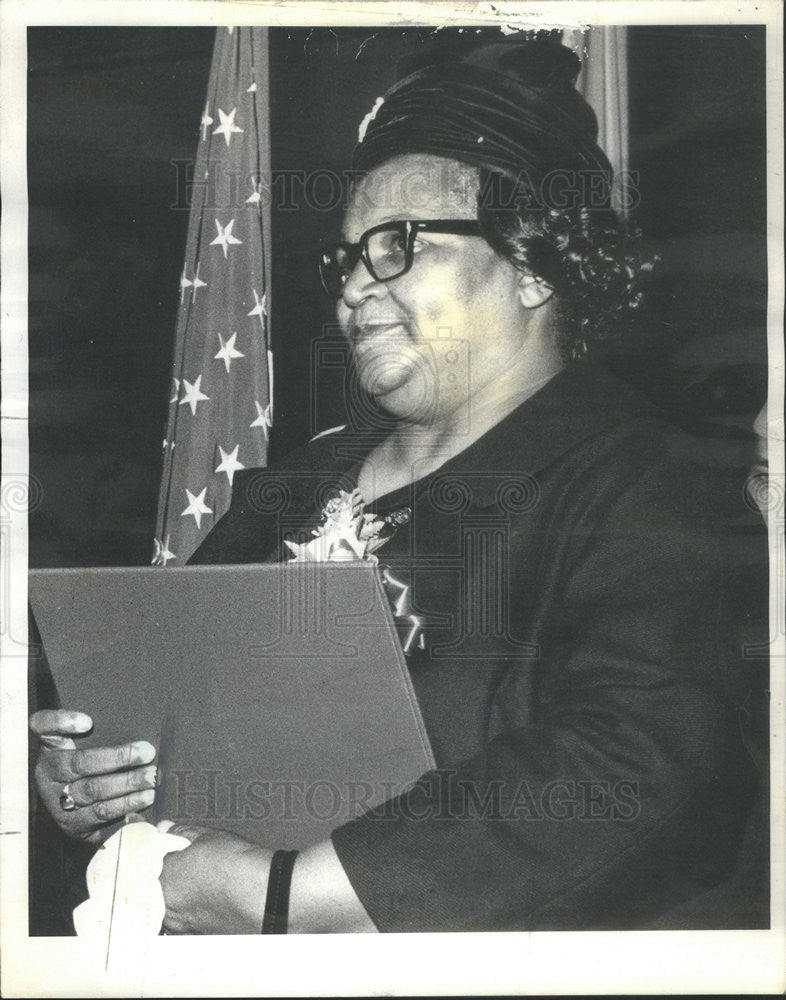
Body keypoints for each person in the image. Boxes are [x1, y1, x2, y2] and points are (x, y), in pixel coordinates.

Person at [30, 37, 767, 933]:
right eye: (344, 259)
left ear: (533, 260)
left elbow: (635, 763)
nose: (352, 291)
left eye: (396, 245)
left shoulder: (649, 485)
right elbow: (173, 708)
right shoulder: (291, 488)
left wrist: (287, 896)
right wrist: (95, 783)